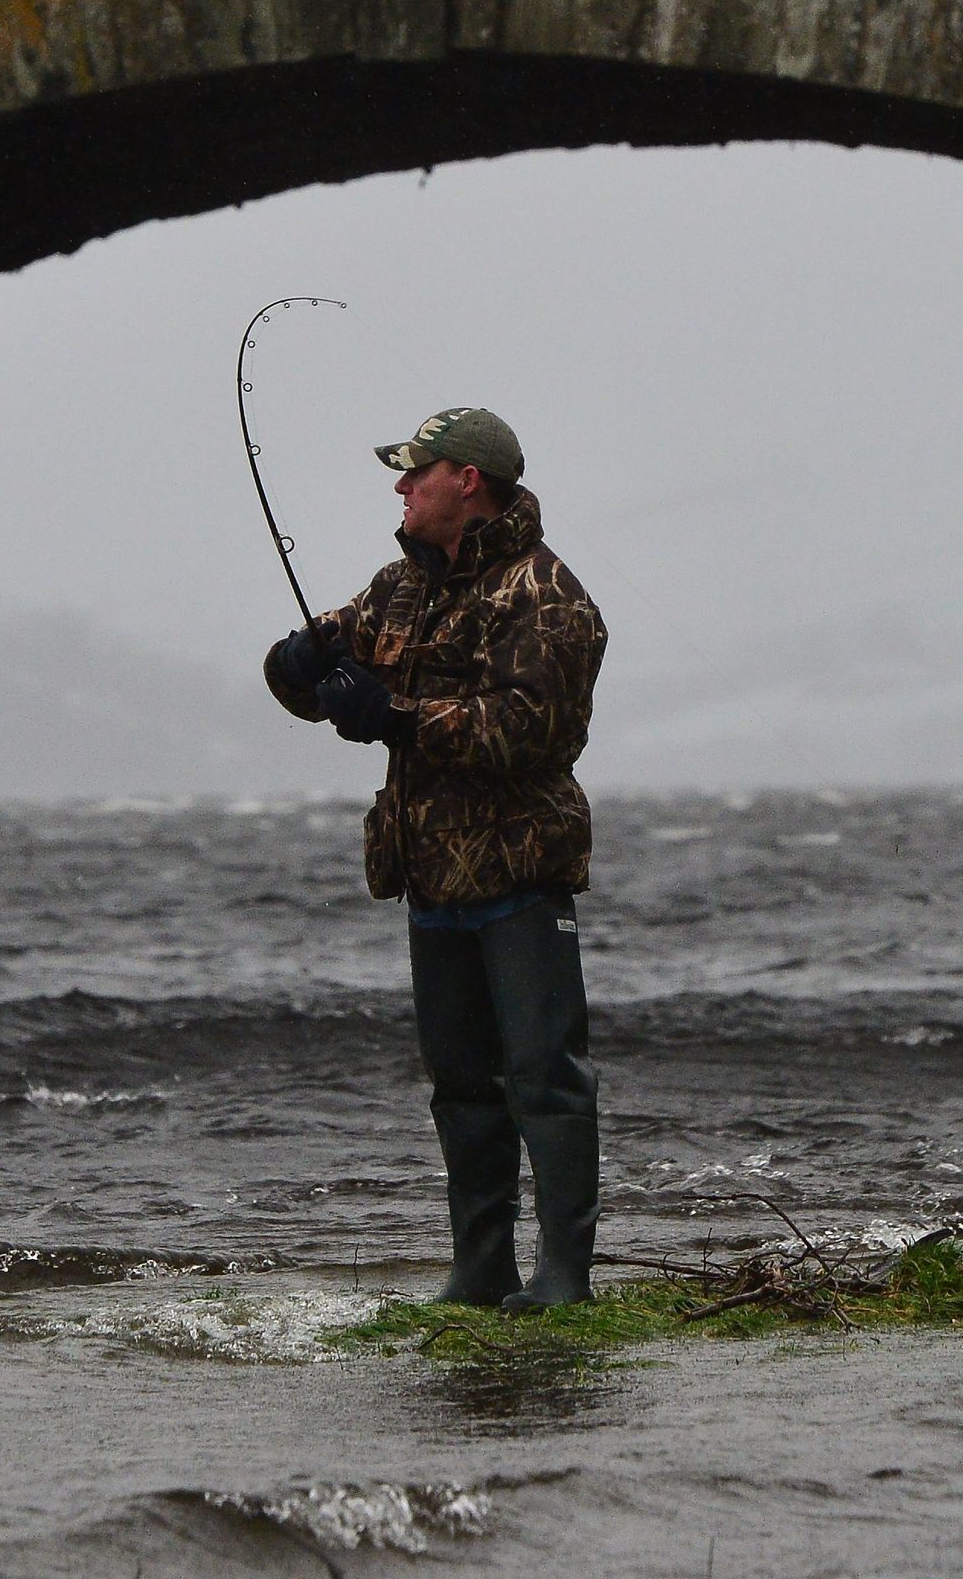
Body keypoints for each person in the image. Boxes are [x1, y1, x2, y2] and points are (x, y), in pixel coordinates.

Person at [262, 407, 609, 1309]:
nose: (401, 489)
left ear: (467, 480)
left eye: (416, 473)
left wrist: (399, 716)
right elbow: (305, 678)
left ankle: (566, 1276)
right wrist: (299, 666)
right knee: (460, 1084)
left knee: (545, 1077)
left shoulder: (549, 595)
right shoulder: (396, 589)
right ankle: (481, 1265)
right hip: (432, 878)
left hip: (520, 874)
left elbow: (532, 733)